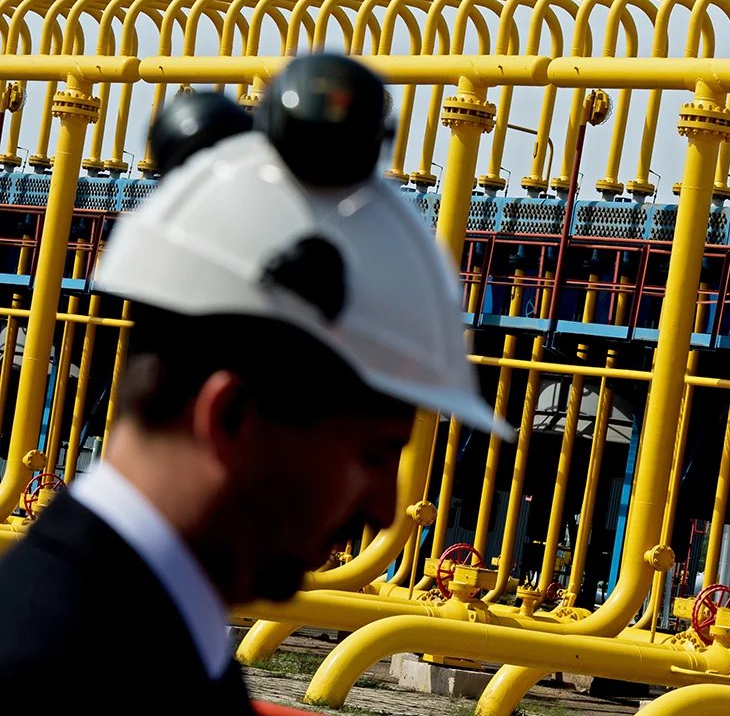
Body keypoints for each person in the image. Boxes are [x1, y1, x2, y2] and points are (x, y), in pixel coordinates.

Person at [0, 54, 508, 712]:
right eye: (374, 454)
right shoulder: (60, 674)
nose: (385, 506)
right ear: (233, 415)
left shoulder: (143, 636)